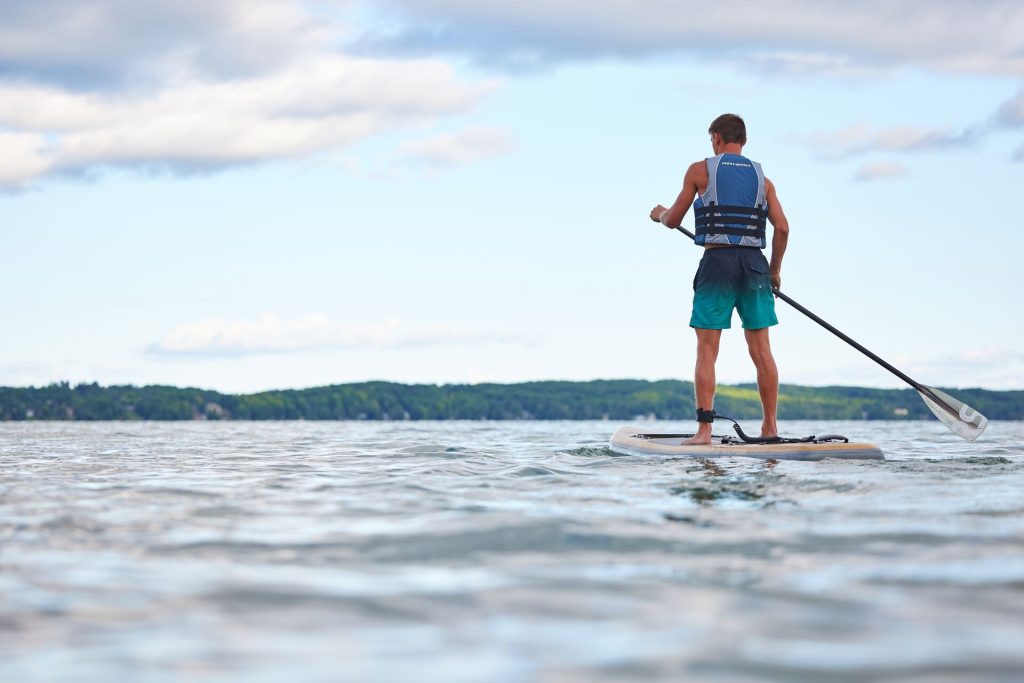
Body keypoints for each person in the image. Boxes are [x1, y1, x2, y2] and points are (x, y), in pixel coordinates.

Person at [649, 113, 789, 445]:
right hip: (755, 265)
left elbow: (674, 220)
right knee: (762, 351)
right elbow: (782, 228)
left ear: (715, 138)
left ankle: (704, 431)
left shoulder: (700, 170)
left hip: (717, 263)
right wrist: (774, 271)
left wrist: (660, 215)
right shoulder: (764, 180)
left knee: (707, 350)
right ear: (743, 140)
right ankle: (770, 428)